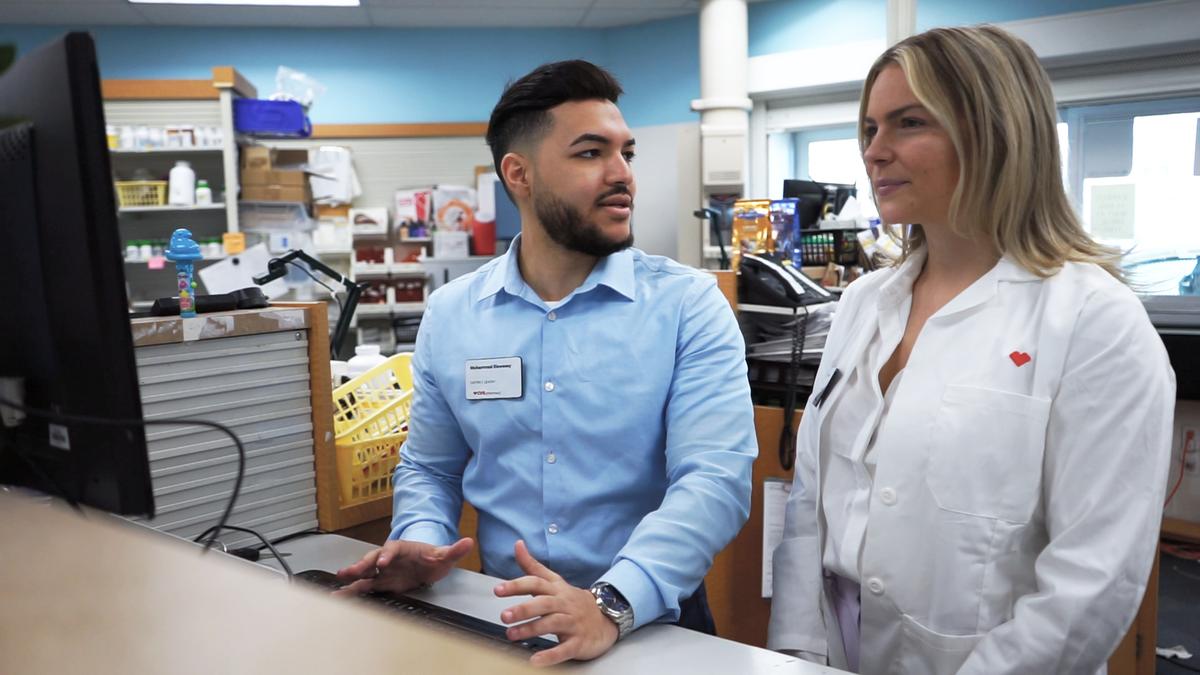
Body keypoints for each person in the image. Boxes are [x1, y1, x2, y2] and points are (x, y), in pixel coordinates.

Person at [767, 25, 1175, 675]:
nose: (876, 151)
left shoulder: (1095, 322)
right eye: (870, 128)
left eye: (907, 123)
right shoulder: (862, 304)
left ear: (993, 131)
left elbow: (1091, 584)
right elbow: (809, 510)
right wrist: (795, 656)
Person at [337, 60, 757, 667]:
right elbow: (430, 467)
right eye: (591, 154)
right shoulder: (454, 314)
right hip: (497, 615)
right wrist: (421, 543)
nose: (623, 176)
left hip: (649, 623)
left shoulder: (686, 305)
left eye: (627, 153)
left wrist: (611, 603)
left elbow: (713, 481)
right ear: (519, 174)